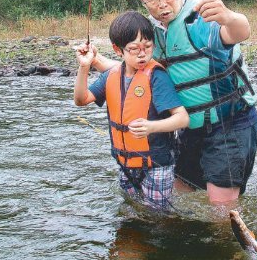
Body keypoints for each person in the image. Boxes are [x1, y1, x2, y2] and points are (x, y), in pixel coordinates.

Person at [90, 0, 257, 205]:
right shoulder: (149, 30)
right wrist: (96, 61)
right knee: (180, 193)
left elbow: (239, 32)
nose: (162, 4)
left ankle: (229, 242)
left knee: (221, 208)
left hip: (229, 122)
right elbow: (138, 70)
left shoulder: (201, 16)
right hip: (189, 127)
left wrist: (230, 17)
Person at [74, 11, 189, 210]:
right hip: (126, 164)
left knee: (156, 218)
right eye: (134, 49)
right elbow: (81, 99)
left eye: (147, 47)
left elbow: (182, 118)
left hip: (157, 165)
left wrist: (151, 126)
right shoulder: (111, 76)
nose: (142, 53)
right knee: (133, 212)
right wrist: (85, 67)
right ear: (118, 50)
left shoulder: (156, 77)